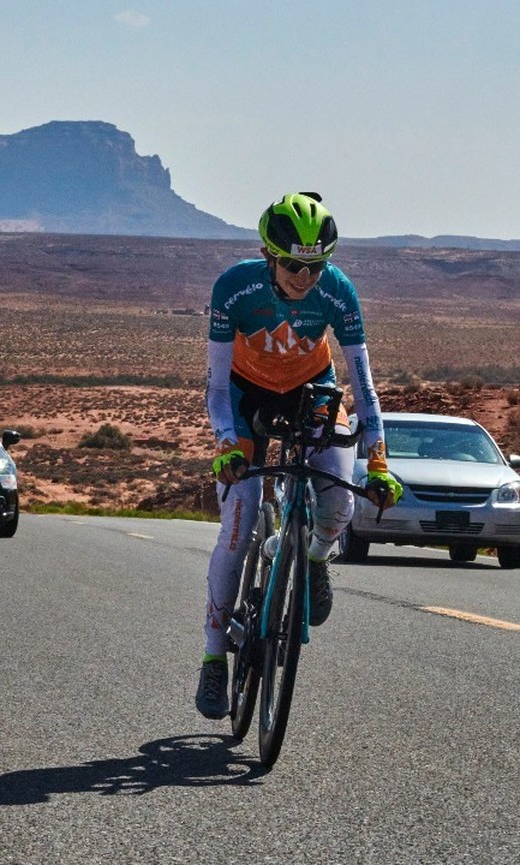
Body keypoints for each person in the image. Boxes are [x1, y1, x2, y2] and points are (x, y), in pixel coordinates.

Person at [195, 192, 403, 720]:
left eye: (316, 265)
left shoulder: (338, 293)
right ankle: (215, 657)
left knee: (338, 503)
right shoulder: (234, 287)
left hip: (313, 390)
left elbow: (365, 386)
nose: (304, 277)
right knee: (238, 523)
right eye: (292, 264)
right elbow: (217, 387)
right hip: (244, 398)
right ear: (268, 254)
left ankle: (313, 559)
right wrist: (225, 446)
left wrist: (378, 461)